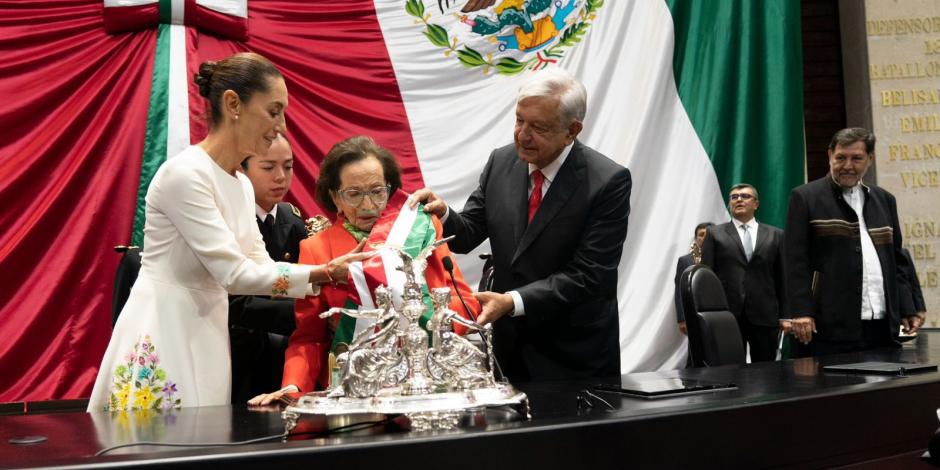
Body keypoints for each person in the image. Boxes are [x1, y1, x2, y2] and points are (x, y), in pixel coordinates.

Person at [87, 53, 369, 411]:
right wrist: (324, 272)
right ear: (233, 103)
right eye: (273, 110)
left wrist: (325, 276)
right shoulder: (185, 175)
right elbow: (233, 273)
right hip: (164, 327)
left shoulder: (240, 184)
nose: (281, 125)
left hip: (208, 329)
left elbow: (259, 266)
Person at [411, 67, 632, 381]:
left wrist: (512, 301)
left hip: (574, 356)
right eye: (519, 120)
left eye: (538, 127)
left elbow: (590, 276)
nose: (522, 135)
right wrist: (444, 213)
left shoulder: (608, 181)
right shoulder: (501, 162)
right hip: (510, 350)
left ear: (572, 130)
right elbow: (467, 235)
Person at [248, 136, 481, 405]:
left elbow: (467, 304)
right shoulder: (316, 250)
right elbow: (308, 338)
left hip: (428, 380)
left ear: (390, 191)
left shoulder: (423, 231)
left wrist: (424, 317)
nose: (368, 205)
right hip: (353, 390)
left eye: (377, 191)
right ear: (335, 197)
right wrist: (291, 388)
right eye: (354, 194)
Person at [785, 127, 923, 356]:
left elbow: (897, 261)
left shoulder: (885, 200)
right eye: (841, 158)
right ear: (830, 155)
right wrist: (801, 311)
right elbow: (794, 261)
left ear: (870, 159)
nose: (848, 165)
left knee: (885, 391)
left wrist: (908, 307)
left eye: (857, 158)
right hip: (828, 327)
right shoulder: (805, 197)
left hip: (882, 326)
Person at [229, 134, 306, 403]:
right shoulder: (230, 219)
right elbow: (238, 302)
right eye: (268, 167)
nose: (280, 177)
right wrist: (303, 315)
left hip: (283, 353)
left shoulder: (291, 219)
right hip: (236, 352)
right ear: (241, 170)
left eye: (288, 166)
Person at [700, 184, 788, 362]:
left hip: (765, 314)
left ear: (756, 204)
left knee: (766, 372)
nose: (739, 199)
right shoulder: (714, 234)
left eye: (745, 196)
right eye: (734, 197)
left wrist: (785, 315)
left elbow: (782, 278)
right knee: (729, 369)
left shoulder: (776, 235)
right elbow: (707, 278)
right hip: (727, 315)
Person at [675, 222, 712, 335]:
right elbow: (679, 291)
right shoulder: (685, 261)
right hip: (693, 312)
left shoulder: (723, 258)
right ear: (696, 238)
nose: (704, 237)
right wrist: (682, 319)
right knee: (696, 347)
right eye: (701, 234)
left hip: (717, 311)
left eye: (708, 234)